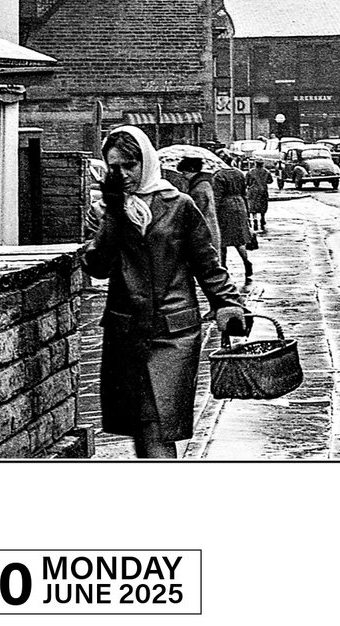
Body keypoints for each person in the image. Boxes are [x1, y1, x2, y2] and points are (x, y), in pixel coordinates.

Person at [82, 126, 247, 459]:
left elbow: (207, 263)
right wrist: (113, 213)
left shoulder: (179, 205)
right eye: (114, 167)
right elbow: (98, 266)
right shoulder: (103, 211)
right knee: (141, 426)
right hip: (126, 330)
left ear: (147, 162)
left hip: (174, 331)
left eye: (131, 165)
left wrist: (228, 302)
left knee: (158, 422)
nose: (124, 174)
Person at [213, 162, 254, 280]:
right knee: (239, 239)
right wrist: (247, 210)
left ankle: (223, 267)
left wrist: (213, 212)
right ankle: (246, 262)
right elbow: (244, 193)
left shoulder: (219, 176)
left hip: (225, 208)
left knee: (222, 239)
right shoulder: (239, 173)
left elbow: (217, 197)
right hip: (240, 205)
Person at [177, 156, 222, 258]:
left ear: (192, 170)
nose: (184, 176)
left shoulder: (198, 189)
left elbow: (197, 212)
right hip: (210, 228)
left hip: (203, 231)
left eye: (185, 173)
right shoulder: (204, 184)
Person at [245, 159, 272, 234]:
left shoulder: (250, 172)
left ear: (255, 164)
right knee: (263, 205)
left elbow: (247, 182)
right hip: (263, 190)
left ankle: (255, 219)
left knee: (253, 206)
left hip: (253, 191)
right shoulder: (266, 172)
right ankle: (262, 218)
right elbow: (270, 181)